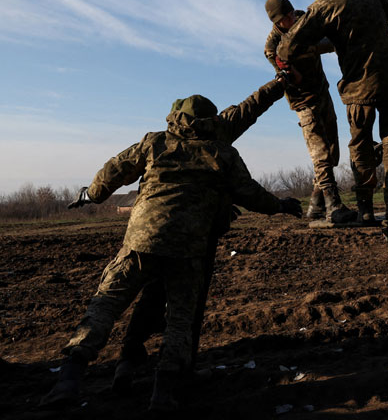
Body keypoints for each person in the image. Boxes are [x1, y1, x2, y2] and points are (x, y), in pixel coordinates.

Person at [40, 94, 303, 412]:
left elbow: (113, 171)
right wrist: (281, 205)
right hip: (189, 249)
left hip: (141, 243)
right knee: (180, 322)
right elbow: (250, 193)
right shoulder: (222, 153)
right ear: (212, 120)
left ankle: (68, 381)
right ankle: (163, 395)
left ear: (175, 117)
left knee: (104, 307)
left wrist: (91, 194)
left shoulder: (154, 142)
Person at [111, 78, 288, 392]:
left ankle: (128, 359)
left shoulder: (163, 140)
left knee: (153, 293)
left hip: (155, 233)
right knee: (188, 306)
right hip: (199, 234)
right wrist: (280, 84)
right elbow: (252, 106)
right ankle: (179, 373)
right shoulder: (220, 132)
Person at [277, 0, 388, 225]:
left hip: (358, 87)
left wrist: (317, 43)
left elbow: (286, 49)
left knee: (360, 144)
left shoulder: (322, 6)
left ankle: (365, 209)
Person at [264, 0, 357, 225]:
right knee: (321, 153)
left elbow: (328, 41)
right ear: (276, 22)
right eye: (285, 18)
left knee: (333, 151)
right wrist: (288, 68)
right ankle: (333, 206)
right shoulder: (273, 43)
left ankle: (315, 205)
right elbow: (279, 63)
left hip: (321, 92)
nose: (291, 19)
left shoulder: (306, 20)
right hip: (303, 100)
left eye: (292, 13)